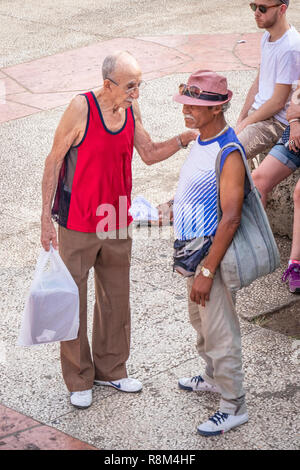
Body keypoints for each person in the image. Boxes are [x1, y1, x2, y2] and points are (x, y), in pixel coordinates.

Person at [40, 51, 197, 409]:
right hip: (78, 221)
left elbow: (150, 152)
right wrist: (45, 220)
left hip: (116, 218)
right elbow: (53, 161)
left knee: (115, 299)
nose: (136, 93)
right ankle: (79, 377)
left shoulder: (130, 111)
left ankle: (111, 370)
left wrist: (184, 139)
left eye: (139, 85)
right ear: (108, 84)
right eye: (130, 86)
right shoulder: (81, 108)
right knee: (73, 301)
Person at [172, 70, 248, 436]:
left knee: (220, 332)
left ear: (217, 109)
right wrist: (171, 207)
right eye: (186, 102)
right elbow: (199, 192)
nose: (187, 109)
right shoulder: (202, 141)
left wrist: (207, 270)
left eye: (196, 105)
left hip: (209, 258)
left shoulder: (227, 151)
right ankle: (213, 378)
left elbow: (231, 218)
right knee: (201, 325)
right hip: (192, 255)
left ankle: (234, 405)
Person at [236, 0, 300, 161]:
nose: (256, 13)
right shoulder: (267, 36)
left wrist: (245, 124)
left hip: (274, 122)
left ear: (282, 9)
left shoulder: (290, 47)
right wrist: (242, 118)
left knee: (228, 155)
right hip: (258, 114)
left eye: (263, 8)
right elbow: (259, 81)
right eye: (254, 6)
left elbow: (278, 102)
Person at [252, 83, 300, 293]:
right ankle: (259, 251)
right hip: (296, 132)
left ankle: (295, 265)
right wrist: (296, 121)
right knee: (258, 181)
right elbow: (295, 100)